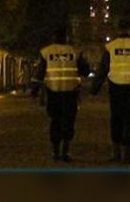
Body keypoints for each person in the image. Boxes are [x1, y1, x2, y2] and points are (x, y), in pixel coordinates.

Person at [91, 20, 130, 163]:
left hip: (115, 87)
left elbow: (103, 69)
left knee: (116, 119)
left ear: (118, 30)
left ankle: (116, 152)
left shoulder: (110, 47)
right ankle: (128, 154)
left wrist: (95, 88)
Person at [39, 28, 91, 162]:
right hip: (70, 92)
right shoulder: (74, 52)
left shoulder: (46, 52)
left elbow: (40, 72)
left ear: (53, 38)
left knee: (55, 121)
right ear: (66, 38)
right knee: (68, 121)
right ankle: (65, 151)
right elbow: (86, 70)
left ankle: (55, 152)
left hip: (53, 91)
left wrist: (36, 91)